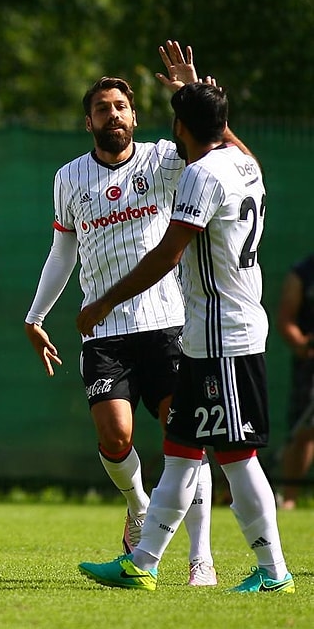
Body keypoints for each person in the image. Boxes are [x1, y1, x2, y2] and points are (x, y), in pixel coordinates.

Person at [23, 42, 241, 586]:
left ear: (135, 115)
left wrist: (196, 96)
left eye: (121, 106)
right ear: (88, 121)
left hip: (170, 325)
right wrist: (36, 315)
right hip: (104, 333)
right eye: (102, 108)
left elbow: (225, 153)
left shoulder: (165, 158)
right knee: (116, 437)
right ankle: (139, 506)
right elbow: (62, 251)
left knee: (186, 441)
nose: (113, 115)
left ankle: (201, 558)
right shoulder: (68, 177)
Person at [77, 82, 294, 593]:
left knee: (237, 458)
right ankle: (142, 564)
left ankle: (274, 572)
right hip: (200, 338)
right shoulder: (244, 162)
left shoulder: (200, 174)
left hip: (226, 338)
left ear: (180, 128)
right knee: (179, 452)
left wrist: (105, 299)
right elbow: (228, 143)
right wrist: (198, 96)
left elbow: (167, 254)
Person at [276, 255, 314, 509]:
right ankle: (288, 498)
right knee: (305, 432)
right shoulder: (303, 272)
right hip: (309, 367)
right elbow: (285, 319)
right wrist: (303, 345)